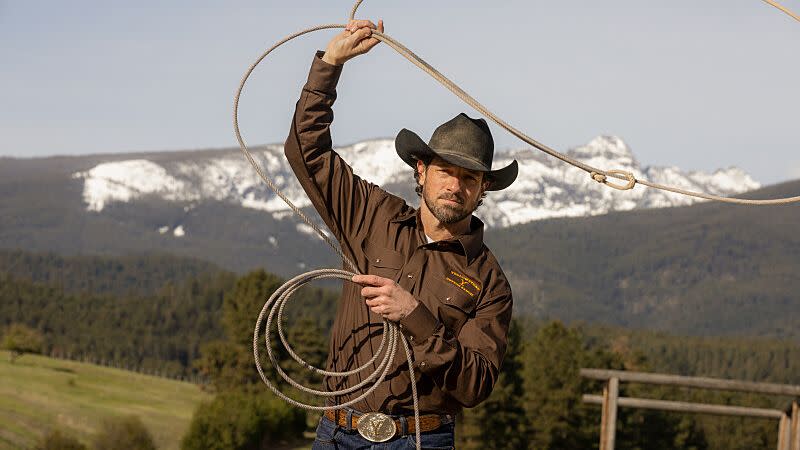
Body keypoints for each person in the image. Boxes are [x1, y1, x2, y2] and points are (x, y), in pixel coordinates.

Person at [283, 18, 518, 449]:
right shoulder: (372, 216)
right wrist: (330, 65)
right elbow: (306, 149)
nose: (455, 186)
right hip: (336, 431)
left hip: (419, 440)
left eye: (469, 178)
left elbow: (475, 385)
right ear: (422, 170)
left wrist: (415, 314)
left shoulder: (489, 282)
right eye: (446, 171)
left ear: (483, 188)